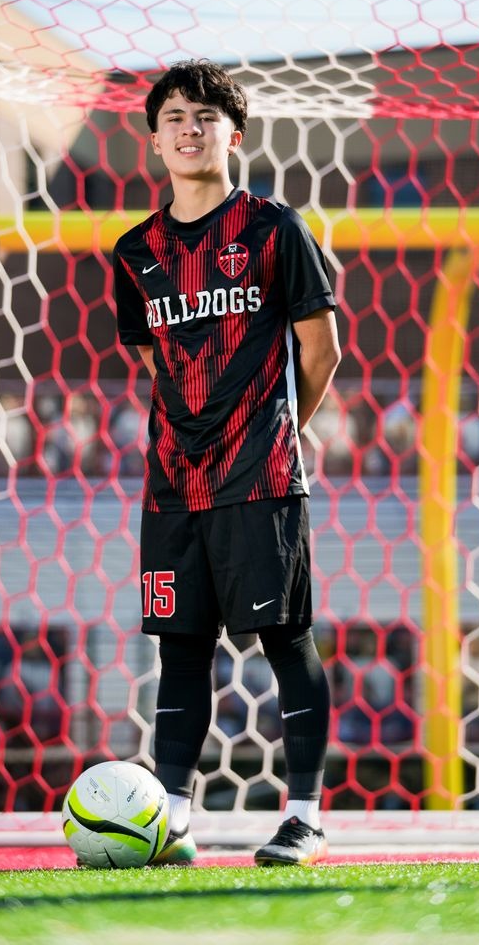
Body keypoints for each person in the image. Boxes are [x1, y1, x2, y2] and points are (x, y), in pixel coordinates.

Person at [114, 59, 341, 866]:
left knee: (286, 640)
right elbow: (156, 361)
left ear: (233, 135)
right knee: (180, 649)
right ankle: (169, 820)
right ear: (154, 139)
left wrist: (277, 430)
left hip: (264, 476)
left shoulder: (275, 229)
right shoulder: (134, 251)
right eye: (174, 117)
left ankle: (305, 818)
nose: (190, 128)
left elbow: (322, 350)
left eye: (206, 116)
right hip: (173, 485)